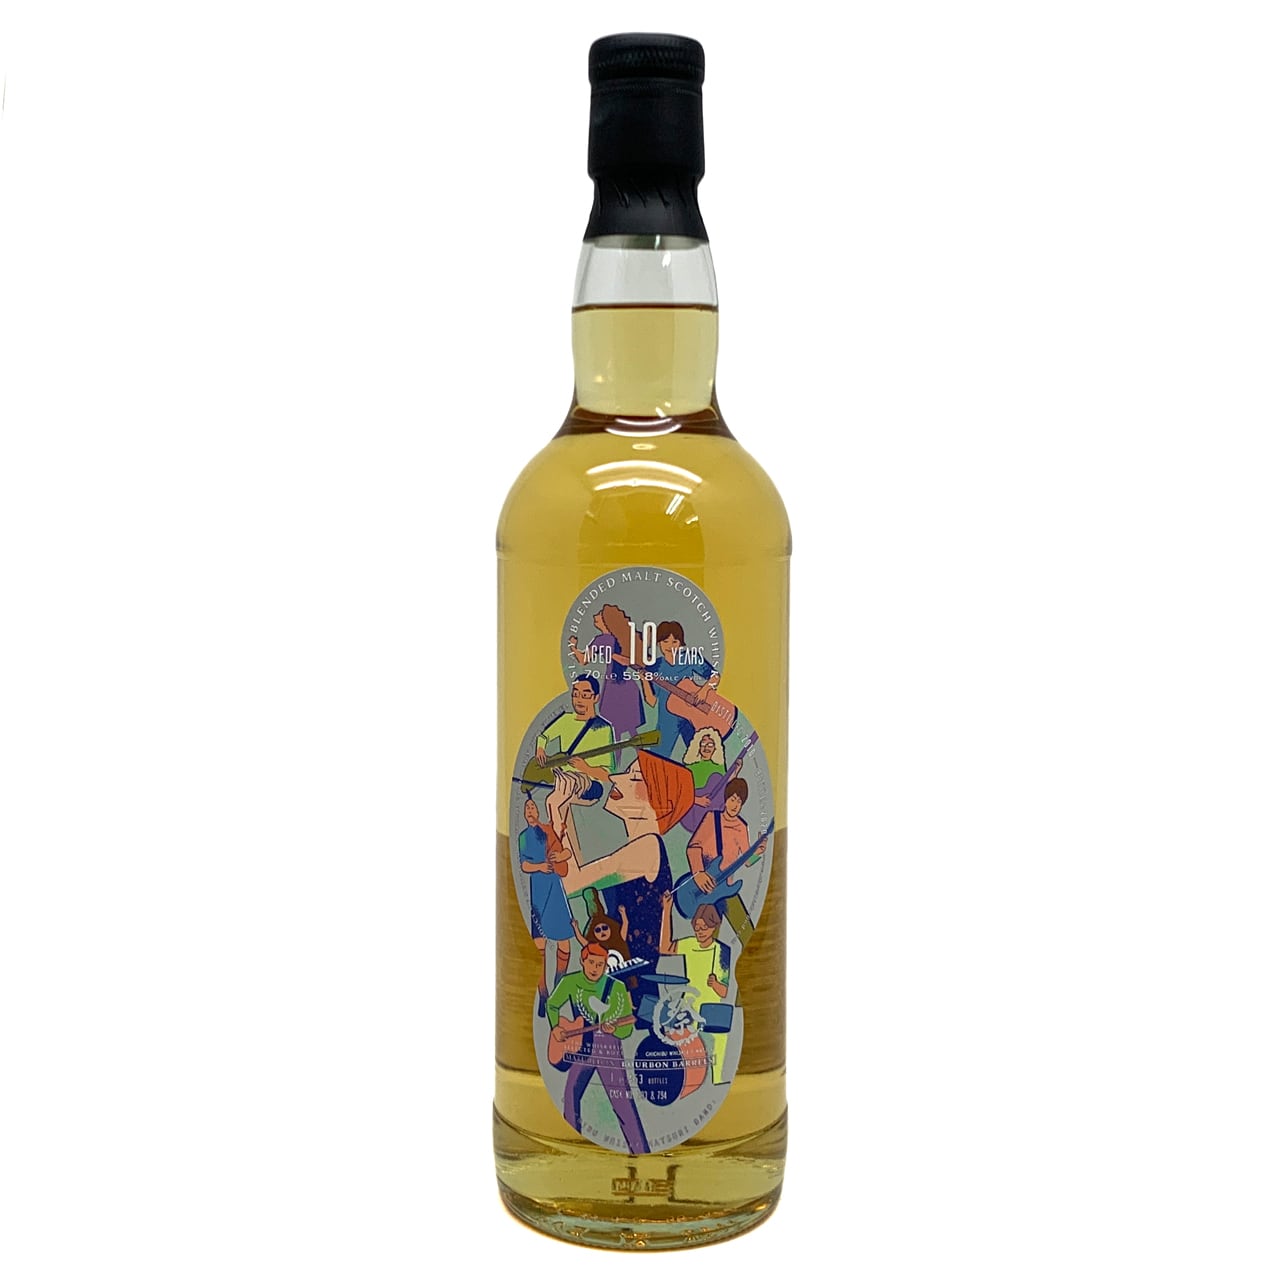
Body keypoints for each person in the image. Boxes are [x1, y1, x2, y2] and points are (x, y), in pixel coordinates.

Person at [551, 750, 694, 970]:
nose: (617, 779)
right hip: (620, 970)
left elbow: (569, 884)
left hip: (630, 976)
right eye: (627, 772)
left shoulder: (648, 848)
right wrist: (565, 806)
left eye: (635, 778)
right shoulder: (646, 847)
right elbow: (574, 870)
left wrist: (555, 808)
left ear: (662, 806)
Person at [545, 942, 649, 1155]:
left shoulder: (616, 987)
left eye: (600, 964)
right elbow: (552, 1004)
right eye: (591, 962)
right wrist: (556, 1027)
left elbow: (627, 1029)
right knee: (570, 1094)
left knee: (622, 1103)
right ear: (582, 961)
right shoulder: (570, 982)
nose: (595, 968)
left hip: (608, 1046)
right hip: (581, 1044)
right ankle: (570, 1150)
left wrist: (615, 1029)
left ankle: (642, 1154)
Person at [660, 893, 732, 1084]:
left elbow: (725, 991)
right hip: (689, 1007)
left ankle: (717, 1080)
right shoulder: (689, 944)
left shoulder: (722, 951)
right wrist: (667, 910)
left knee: (719, 1042)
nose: (699, 932)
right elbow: (665, 947)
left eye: (704, 927)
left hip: (712, 1008)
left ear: (714, 926)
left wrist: (715, 984)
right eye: (697, 927)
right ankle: (687, 1080)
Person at [684, 777, 763, 945]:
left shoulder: (741, 827)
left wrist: (757, 852)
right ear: (725, 800)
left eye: (739, 802)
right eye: (732, 799)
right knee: (708, 942)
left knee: (748, 935)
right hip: (706, 888)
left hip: (727, 889)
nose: (735, 805)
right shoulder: (712, 819)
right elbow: (693, 847)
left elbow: (746, 861)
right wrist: (698, 873)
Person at [568, 603, 651, 761]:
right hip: (622, 687)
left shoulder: (608, 640)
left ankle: (623, 764)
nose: (595, 616)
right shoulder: (612, 639)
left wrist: (574, 647)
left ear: (607, 621)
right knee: (625, 731)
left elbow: (584, 659)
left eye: (600, 614)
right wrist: (573, 647)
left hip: (618, 689)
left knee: (620, 732)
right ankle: (638, 762)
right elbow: (585, 660)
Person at [517, 794, 574, 1017]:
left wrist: (560, 855)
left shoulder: (548, 830)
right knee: (538, 945)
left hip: (555, 889)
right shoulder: (523, 837)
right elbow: (523, 864)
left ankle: (559, 987)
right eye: (527, 807)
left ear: (538, 811)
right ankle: (543, 994)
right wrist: (540, 866)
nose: (531, 810)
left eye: (533, 806)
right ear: (524, 813)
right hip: (538, 893)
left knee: (564, 942)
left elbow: (567, 852)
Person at [534, 675, 614, 798]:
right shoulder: (566, 719)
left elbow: (608, 775)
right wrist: (540, 749)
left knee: (555, 800)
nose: (579, 700)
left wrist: (586, 768)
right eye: (575, 695)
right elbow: (544, 737)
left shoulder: (604, 728)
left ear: (596, 698)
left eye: (585, 695)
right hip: (562, 778)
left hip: (589, 786)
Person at [648, 621, 718, 758]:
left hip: (692, 718)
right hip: (667, 719)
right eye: (665, 641)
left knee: (701, 757)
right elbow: (651, 701)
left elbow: (715, 676)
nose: (670, 646)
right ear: (659, 643)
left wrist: (704, 690)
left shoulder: (690, 657)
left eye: (674, 641)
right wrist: (644, 680)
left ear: (680, 643)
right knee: (657, 758)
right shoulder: (655, 666)